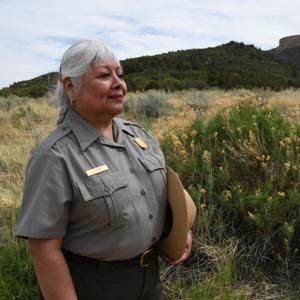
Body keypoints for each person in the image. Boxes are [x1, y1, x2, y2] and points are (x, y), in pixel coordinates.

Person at [15, 39, 192, 300]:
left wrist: (179, 231)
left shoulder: (140, 138)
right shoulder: (54, 156)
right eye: (104, 75)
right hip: (94, 287)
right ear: (70, 87)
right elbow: (43, 250)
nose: (118, 83)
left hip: (150, 282)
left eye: (120, 74)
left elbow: (162, 195)